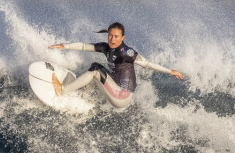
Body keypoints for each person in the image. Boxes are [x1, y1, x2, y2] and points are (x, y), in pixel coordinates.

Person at [48, 22, 184, 109]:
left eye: (116, 36)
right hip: (115, 88)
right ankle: (78, 91)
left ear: (123, 37)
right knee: (95, 67)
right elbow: (84, 46)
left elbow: (147, 64)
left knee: (96, 70)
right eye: (110, 36)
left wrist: (170, 71)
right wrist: (64, 46)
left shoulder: (127, 52)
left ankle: (63, 90)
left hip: (122, 96)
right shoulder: (105, 47)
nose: (112, 39)